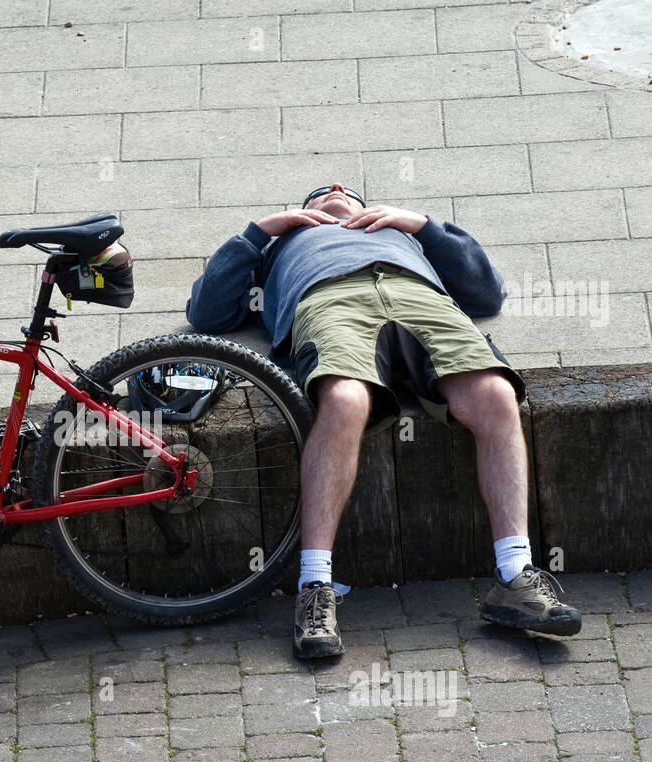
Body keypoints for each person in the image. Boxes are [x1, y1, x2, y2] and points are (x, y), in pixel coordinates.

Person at [186, 183, 582, 659]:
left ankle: (515, 576)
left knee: (496, 394)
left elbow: (486, 292)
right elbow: (207, 313)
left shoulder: (405, 236)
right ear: (304, 212)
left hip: (421, 299)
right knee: (344, 400)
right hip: (329, 302)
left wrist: (421, 225)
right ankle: (315, 587)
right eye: (318, 195)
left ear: (366, 206)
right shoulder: (282, 247)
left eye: (346, 191)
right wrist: (261, 232)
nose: (333, 190)